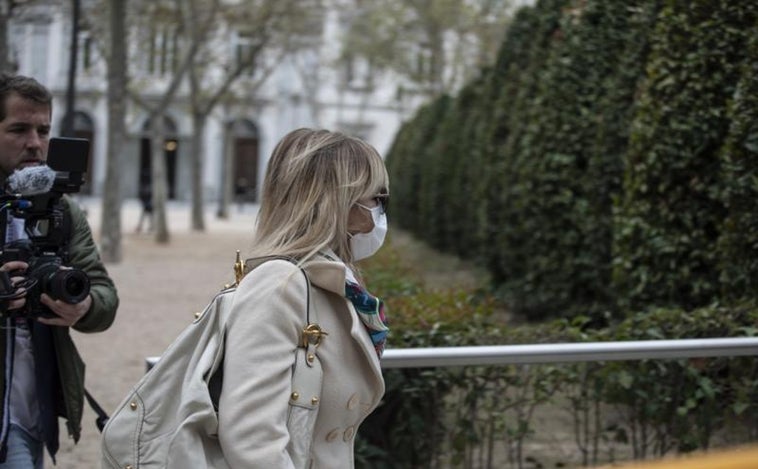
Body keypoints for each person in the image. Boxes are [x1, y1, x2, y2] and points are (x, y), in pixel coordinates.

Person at [217, 128, 390, 467]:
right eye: (376, 198)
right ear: (336, 203)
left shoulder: (332, 283)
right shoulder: (278, 286)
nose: (379, 212)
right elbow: (253, 442)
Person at [0, 73, 119, 467]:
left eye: (43, 130)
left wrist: (83, 307)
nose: (34, 143)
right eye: (18, 129)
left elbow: (103, 293)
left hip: (25, 413)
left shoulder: (61, 209)